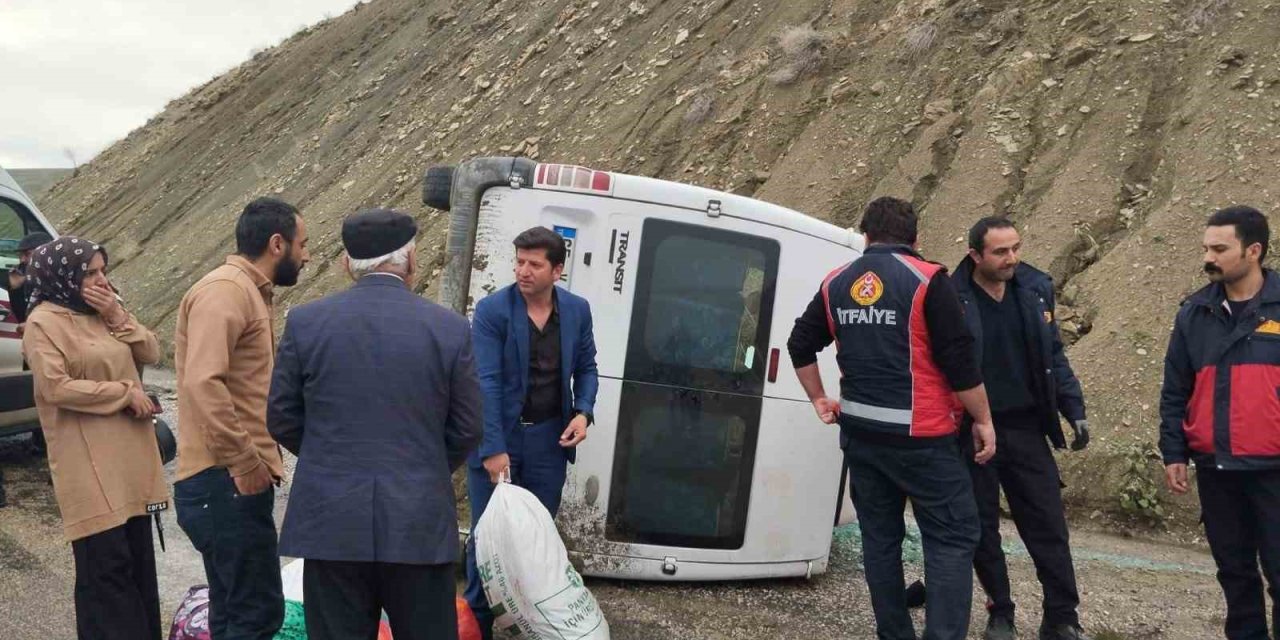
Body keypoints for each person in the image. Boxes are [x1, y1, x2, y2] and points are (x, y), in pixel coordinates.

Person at [787, 196, 996, 640]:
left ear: (865, 236)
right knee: (951, 539)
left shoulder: (836, 282)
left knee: (880, 541)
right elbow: (960, 363)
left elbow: (799, 344)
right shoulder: (926, 280)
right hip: (924, 440)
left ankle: (894, 633)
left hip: (862, 439)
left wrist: (819, 398)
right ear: (915, 239)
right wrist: (983, 420)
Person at [268, 208, 483, 640]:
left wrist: (328, 455)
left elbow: (281, 416)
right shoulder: (449, 328)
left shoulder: (307, 323)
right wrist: (424, 465)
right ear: (411, 260)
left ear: (347, 264)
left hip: (332, 523)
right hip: (418, 523)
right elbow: (468, 425)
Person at [174, 197, 309, 640]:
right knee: (254, 615)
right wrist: (245, 461)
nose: (307, 256)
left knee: (236, 614)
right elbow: (203, 382)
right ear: (277, 244)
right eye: (303, 244)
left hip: (225, 483)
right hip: (223, 482)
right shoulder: (226, 292)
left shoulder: (244, 291)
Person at [952, 217, 1092, 640]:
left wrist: (1073, 407)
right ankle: (1001, 612)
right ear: (975, 255)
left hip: (1027, 428)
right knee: (982, 529)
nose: (1011, 258)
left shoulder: (1034, 289)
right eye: (1000, 251)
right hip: (974, 433)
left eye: (1015, 248)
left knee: (1048, 526)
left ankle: (1062, 617)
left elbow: (1054, 355)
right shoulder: (953, 297)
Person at [22, 237, 168, 639]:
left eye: (103, 271)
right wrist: (124, 393)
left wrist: (117, 314)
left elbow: (152, 353)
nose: (101, 280)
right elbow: (55, 387)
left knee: (138, 569)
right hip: (87, 463)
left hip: (130, 459)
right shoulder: (43, 323)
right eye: (89, 273)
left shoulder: (105, 312)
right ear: (63, 276)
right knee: (106, 575)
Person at [465, 226, 599, 639]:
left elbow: (587, 368)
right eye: (519, 262)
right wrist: (492, 449)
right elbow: (484, 381)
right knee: (486, 540)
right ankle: (476, 626)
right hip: (499, 438)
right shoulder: (493, 311)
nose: (523, 271)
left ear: (557, 270)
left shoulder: (576, 311)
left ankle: (533, 623)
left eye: (534, 264)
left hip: (547, 442)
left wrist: (583, 413)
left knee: (536, 538)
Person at [1160, 205, 1280, 640]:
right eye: (1205, 248)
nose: (1208, 258)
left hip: (1274, 469)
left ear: (1253, 251)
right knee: (1235, 573)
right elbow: (1176, 389)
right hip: (1217, 468)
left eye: (1219, 249)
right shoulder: (1194, 313)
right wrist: (1174, 452)